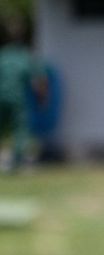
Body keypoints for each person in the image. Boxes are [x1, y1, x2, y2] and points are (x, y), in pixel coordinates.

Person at [0, 17, 47, 172]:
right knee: (20, 130)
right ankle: (16, 163)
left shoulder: (3, 55)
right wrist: (41, 101)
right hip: (17, 99)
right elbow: (39, 81)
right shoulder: (26, 57)